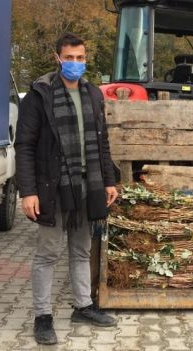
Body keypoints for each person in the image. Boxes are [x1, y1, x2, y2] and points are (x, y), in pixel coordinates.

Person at [15, 33, 119, 345]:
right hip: (52, 187)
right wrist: (27, 191)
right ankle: (43, 316)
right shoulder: (40, 94)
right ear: (57, 58)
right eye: (69, 58)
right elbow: (24, 146)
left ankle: (83, 306)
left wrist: (110, 180)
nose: (75, 64)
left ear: (86, 59)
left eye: (80, 58)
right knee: (47, 253)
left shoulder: (93, 94)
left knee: (81, 249)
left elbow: (101, 141)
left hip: (88, 186)